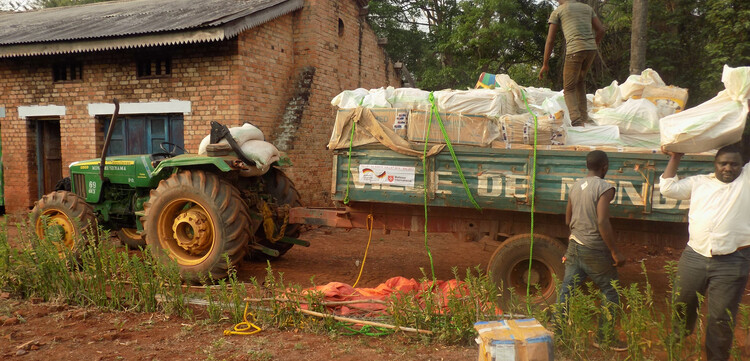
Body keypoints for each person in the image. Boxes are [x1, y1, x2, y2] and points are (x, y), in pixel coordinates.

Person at [660, 144, 750, 361]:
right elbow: (667, 189)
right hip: (694, 255)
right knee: (682, 301)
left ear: (742, 166)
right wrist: (676, 157)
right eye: (723, 163)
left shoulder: (746, 181)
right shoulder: (699, 182)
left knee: (721, 317)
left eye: (734, 164)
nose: (728, 168)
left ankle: (716, 357)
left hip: (733, 259)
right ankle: (680, 333)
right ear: (715, 165)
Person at [558, 150, 627, 351]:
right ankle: (604, 338)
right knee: (610, 290)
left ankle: (559, 333)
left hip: (574, 246)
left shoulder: (575, 185)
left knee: (567, 291)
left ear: (587, 165)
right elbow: (602, 221)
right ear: (604, 166)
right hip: (594, 249)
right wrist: (615, 252)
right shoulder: (606, 188)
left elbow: (567, 220)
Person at [538, 0, 605, 127]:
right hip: (590, 50)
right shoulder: (587, 8)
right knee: (579, 81)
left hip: (575, 50)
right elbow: (601, 30)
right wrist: (592, 44)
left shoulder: (558, 11)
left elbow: (550, 40)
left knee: (568, 88)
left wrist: (545, 63)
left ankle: (576, 121)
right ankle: (584, 118)